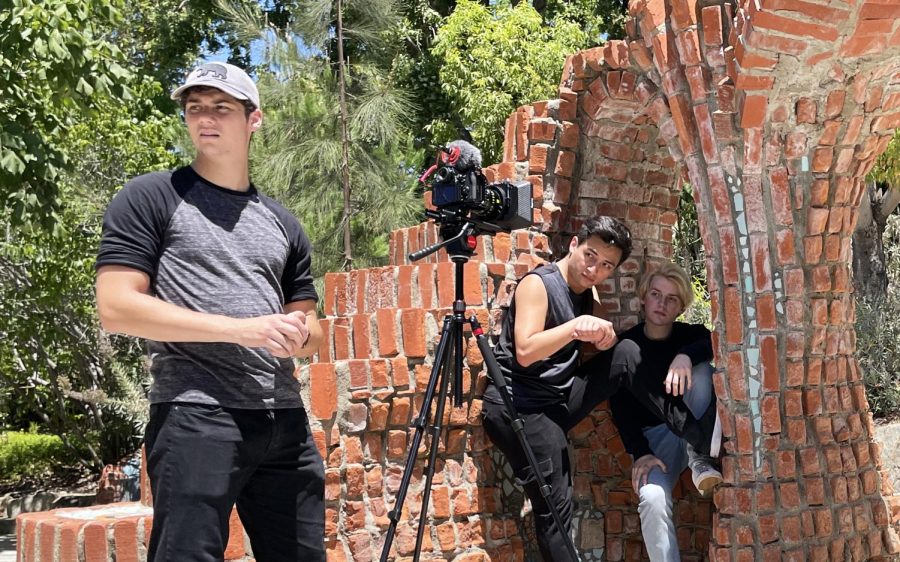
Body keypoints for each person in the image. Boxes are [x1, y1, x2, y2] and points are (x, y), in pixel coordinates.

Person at [95, 62, 326, 562]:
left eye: (221, 107)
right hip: (195, 413)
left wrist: (297, 336)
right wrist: (239, 330)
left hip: (283, 420)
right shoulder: (151, 197)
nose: (205, 117)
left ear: (254, 119)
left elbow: (312, 328)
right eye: (194, 107)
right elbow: (115, 306)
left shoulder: (283, 222)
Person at [481, 218, 720, 562]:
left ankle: (696, 438)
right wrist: (576, 327)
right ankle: (699, 437)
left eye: (606, 265)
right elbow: (525, 351)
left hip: (558, 398)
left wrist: (603, 331)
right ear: (573, 243)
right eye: (590, 256)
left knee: (624, 352)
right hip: (521, 406)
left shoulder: (585, 292)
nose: (594, 269)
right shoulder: (538, 284)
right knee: (555, 508)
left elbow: (619, 357)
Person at [609, 262, 722, 562]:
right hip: (656, 442)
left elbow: (713, 341)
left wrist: (685, 355)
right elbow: (620, 408)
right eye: (656, 294)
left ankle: (699, 459)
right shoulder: (627, 346)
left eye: (671, 299)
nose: (662, 303)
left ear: (681, 307)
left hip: (691, 425)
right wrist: (641, 451)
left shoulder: (689, 335)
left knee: (701, 372)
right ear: (644, 298)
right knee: (652, 498)